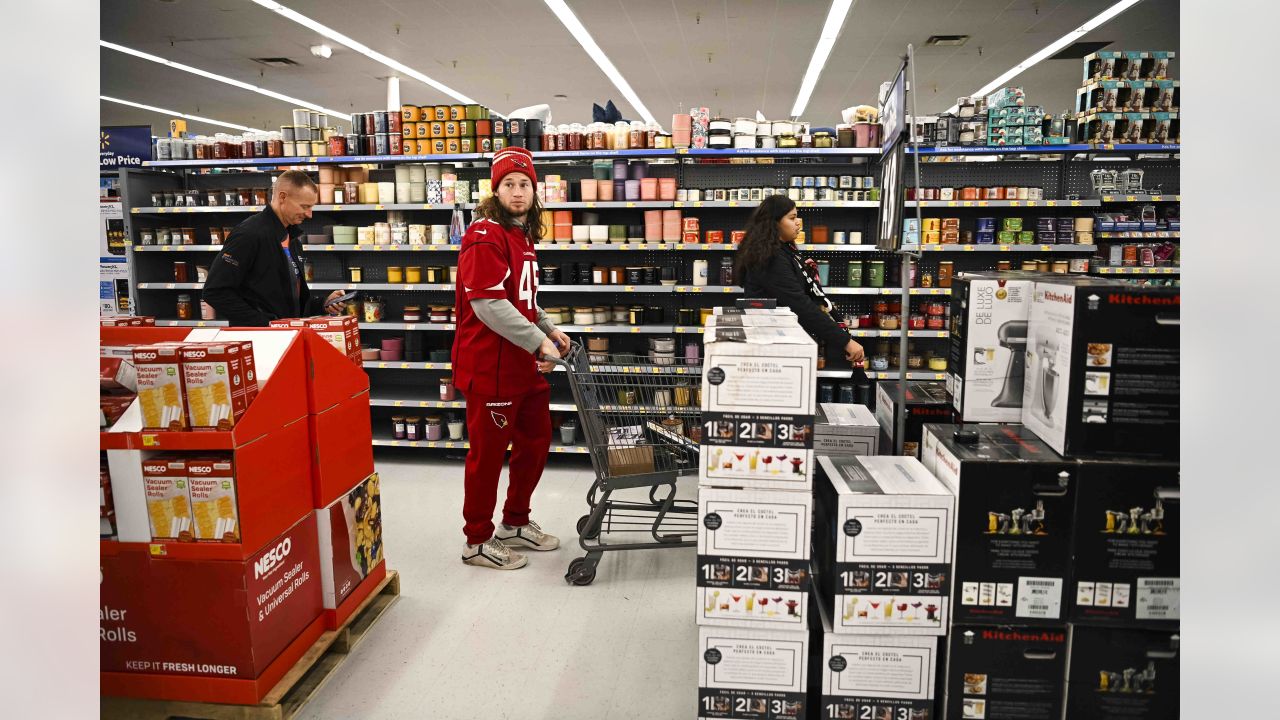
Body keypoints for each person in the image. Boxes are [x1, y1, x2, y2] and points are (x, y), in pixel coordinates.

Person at [452, 146, 571, 570]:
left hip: (521, 362)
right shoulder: (484, 236)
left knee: (535, 443)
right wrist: (537, 342)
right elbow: (487, 304)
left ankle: (515, 523)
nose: (518, 192)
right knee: (487, 455)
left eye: (525, 185)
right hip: (491, 366)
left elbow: (522, 299)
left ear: (534, 191)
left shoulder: (521, 235)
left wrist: (549, 327)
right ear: (495, 190)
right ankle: (477, 540)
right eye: (509, 185)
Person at [733, 195, 865, 369]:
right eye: (792, 218)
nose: (798, 223)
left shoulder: (784, 250)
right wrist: (845, 341)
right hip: (771, 346)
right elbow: (800, 305)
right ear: (774, 223)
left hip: (780, 339)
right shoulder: (771, 258)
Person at [203, 170, 346, 325]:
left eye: (311, 207)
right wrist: (264, 324)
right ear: (282, 197)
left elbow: (286, 302)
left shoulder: (292, 240)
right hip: (260, 341)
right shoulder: (249, 234)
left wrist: (323, 304)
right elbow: (215, 291)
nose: (309, 214)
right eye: (304, 206)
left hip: (287, 336)